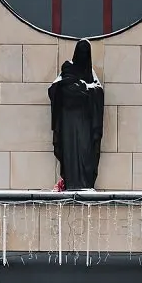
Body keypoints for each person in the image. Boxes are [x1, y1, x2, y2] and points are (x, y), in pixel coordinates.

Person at [48, 38, 104, 189]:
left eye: (86, 53)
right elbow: (54, 89)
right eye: (81, 52)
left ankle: (85, 183)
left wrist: (83, 87)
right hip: (69, 120)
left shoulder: (90, 73)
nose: (83, 56)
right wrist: (74, 89)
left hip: (85, 122)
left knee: (86, 151)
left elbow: (98, 91)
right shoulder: (67, 71)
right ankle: (71, 181)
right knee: (70, 152)